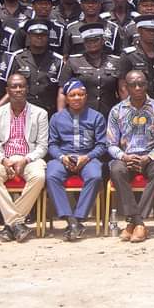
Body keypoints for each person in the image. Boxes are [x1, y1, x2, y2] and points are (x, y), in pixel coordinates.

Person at [106, 71, 154, 243]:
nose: (137, 88)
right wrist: (124, 157)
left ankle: (132, 223)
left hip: (150, 158)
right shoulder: (116, 111)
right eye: (133, 85)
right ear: (125, 87)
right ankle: (139, 223)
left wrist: (149, 157)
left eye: (141, 84)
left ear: (146, 85)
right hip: (126, 157)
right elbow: (111, 144)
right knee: (116, 169)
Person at [0, 74, 49, 243]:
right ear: (7, 90)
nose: (18, 90)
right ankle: (17, 223)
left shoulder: (40, 113)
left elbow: (42, 146)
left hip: (29, 158)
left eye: (21, 86)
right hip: (3, 158)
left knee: (39, 176)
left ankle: (10, 224)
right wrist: (3, 160)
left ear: (27, 89)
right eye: (14, 86)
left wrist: (26, 160)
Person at [46, 79, 108, 242]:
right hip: (64, 157)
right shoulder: (56, 118)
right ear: (66, 98)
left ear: (86, 96)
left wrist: (87, 157)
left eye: (80, 94)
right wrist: (61, 157)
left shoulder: (97, 117)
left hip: (88, 157)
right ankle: (70, 220)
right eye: (72, 95)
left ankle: (79, 218)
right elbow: (52, 144)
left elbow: (102, 145)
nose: (76, 98)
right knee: (51, 175)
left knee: (95, 176)